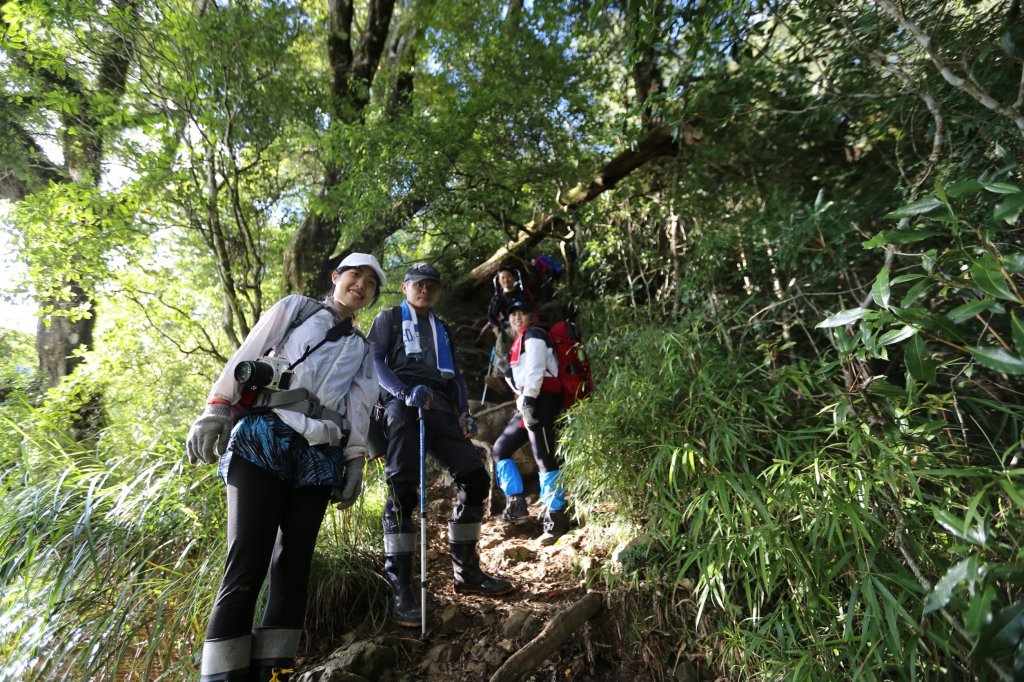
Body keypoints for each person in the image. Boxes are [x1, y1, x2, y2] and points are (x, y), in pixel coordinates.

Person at [185, 253, 386, 682]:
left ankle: (273, 676)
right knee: (246, 563)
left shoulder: (363, 350)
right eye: (355, 274)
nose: (361, 284)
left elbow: (360, 406)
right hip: (262, 437)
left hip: (317, 455)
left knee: (293, 568)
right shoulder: (296, 309)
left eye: (371, 282)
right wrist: (216, 409)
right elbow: (250, 350)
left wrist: (354, 462)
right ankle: (222, 678)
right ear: (336, 277)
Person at [369, 262, 513, 628]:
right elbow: (375, 363)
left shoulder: (442, 328)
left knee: (475, 478)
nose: (426, 290)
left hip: (442, 408)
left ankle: (467, 571)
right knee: (402, 490)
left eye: (432, 285)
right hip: (402, 405)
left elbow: (456, 379)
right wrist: (402, 392)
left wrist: (464, 411)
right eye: (419, 284)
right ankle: (401, 584)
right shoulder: (387, 320)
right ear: (405, 287)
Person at [491, 298, 571, 545]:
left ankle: (556, 519)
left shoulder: (535, 334)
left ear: (531, 315)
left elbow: (536, 370)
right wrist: (512, 382)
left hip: (541, 400)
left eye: (521, 313)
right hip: (529, 399)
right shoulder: (519, 341)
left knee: (543, 456)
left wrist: (527, 402)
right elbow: (520, 378)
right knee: (500, 449)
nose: (516, 318)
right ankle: (516, 504)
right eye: (512, 314)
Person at [482, 263, 535, 389]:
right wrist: (495, 327)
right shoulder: (497, 297)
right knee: (501, 344)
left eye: (508, 277)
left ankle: (516, 381)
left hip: (522, 325)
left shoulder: (521, 293)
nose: (506, 280)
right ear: (499, 281)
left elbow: (530, 309)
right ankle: (501, 377)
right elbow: (491, 315)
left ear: (514, 278)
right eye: (502, 278)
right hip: (506, 327)